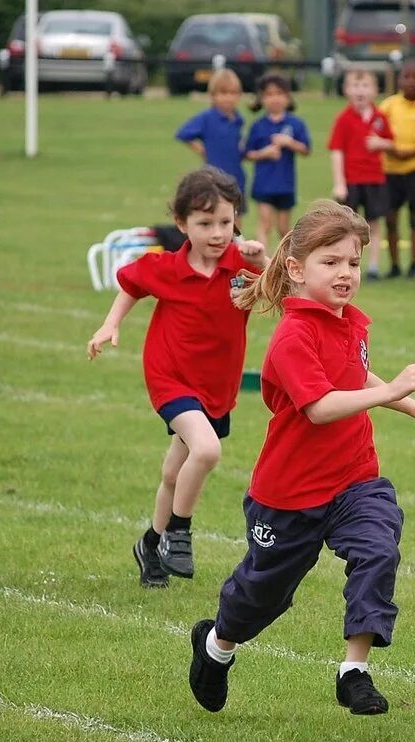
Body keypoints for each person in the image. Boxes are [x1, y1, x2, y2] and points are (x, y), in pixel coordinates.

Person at [186, 200, 415, 716]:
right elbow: (319, 408)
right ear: (296, 269)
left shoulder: (347, 323)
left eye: (353, 263)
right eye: (331, 262)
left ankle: (354, 671)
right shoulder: (293, 336)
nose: (345, 274)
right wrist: (393, 393)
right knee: (262, 597)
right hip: (288, 496)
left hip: (354, 479)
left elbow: (357, 376)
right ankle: (216, 645)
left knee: (378, 549)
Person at [87, 168, 267, 588]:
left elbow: (288, 291)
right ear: (183, 224)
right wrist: (109, 324)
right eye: (205, 224)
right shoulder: (164, 267)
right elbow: (131, 285)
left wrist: (264, 261)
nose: (218, 232)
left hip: (216, 386)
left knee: (175, 471)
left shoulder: (242, 264)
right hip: (171, 378)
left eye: (226, 222)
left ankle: (150, 545)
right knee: (205, 451)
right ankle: (179, 533)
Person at [328, 69, 395, 279]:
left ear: (375, 90)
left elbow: (392, 142)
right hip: (352, 180)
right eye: (355, 87)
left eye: (365, 86)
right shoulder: (344, 119)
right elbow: (336, 151)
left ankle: (373, 265)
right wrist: (339, 182)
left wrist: (381, 143)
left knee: (373, 223)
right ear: (346, 90)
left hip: (374, 179)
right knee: (346, 226)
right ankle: (345, 263)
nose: (360, 91)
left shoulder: (380, 117)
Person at [244, 73, 312, 251]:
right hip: (263, 184)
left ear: (288, 97)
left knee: (283, 229)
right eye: (269, 94)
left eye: (279, 93)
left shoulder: (295, 124)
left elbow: (306, 149)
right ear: (262, 98)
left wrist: (289, 143)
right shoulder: (258, 125)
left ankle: (287, 264)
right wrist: (263, 153)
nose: (275, 99)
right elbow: (247, 153)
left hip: (285, 184)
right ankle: (262, 267)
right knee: (264, 225)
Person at [380, 58, 415, 278]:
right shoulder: (389, 105)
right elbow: (379, 133)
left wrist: (403, 152)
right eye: (406, 77)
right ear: (399, 79)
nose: (411, 82)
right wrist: (394, 151)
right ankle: (394, 265)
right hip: (391, 170)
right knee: (390, 219)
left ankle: (414, 265)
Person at [175, 69, 247, 213]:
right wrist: (201, 149)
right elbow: (183, 133)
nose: (228, 98)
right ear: (213, 96)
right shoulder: (207, 118)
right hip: (214, 178)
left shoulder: (238, 119)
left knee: (237, 219)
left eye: (233, 93)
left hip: (236, 177)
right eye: (223, 93)